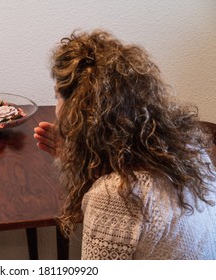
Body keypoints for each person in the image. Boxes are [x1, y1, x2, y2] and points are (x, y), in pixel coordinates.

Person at [34, 30, 216, 259]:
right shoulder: (190, 151)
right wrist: (81, 158)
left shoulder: (114, 196)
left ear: (78, 111)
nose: (56, 108)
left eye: (57, 97)